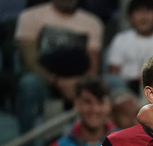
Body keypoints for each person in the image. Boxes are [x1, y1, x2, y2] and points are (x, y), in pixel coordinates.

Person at [14, 0, 104, 132]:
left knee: (110, 84)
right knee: (29, 83)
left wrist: (77, 84)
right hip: (44, 81)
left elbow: (93, 67)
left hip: (77, 83)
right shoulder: (29, 16)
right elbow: (30, 62)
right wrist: (58, 82)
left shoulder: (92, 22)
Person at [107, 0, 153, 93]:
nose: (143, 17)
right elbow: (114, 72)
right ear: (130, 18)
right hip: (126, 88)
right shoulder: (120, 39)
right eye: (138, 12)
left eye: (148, 12)